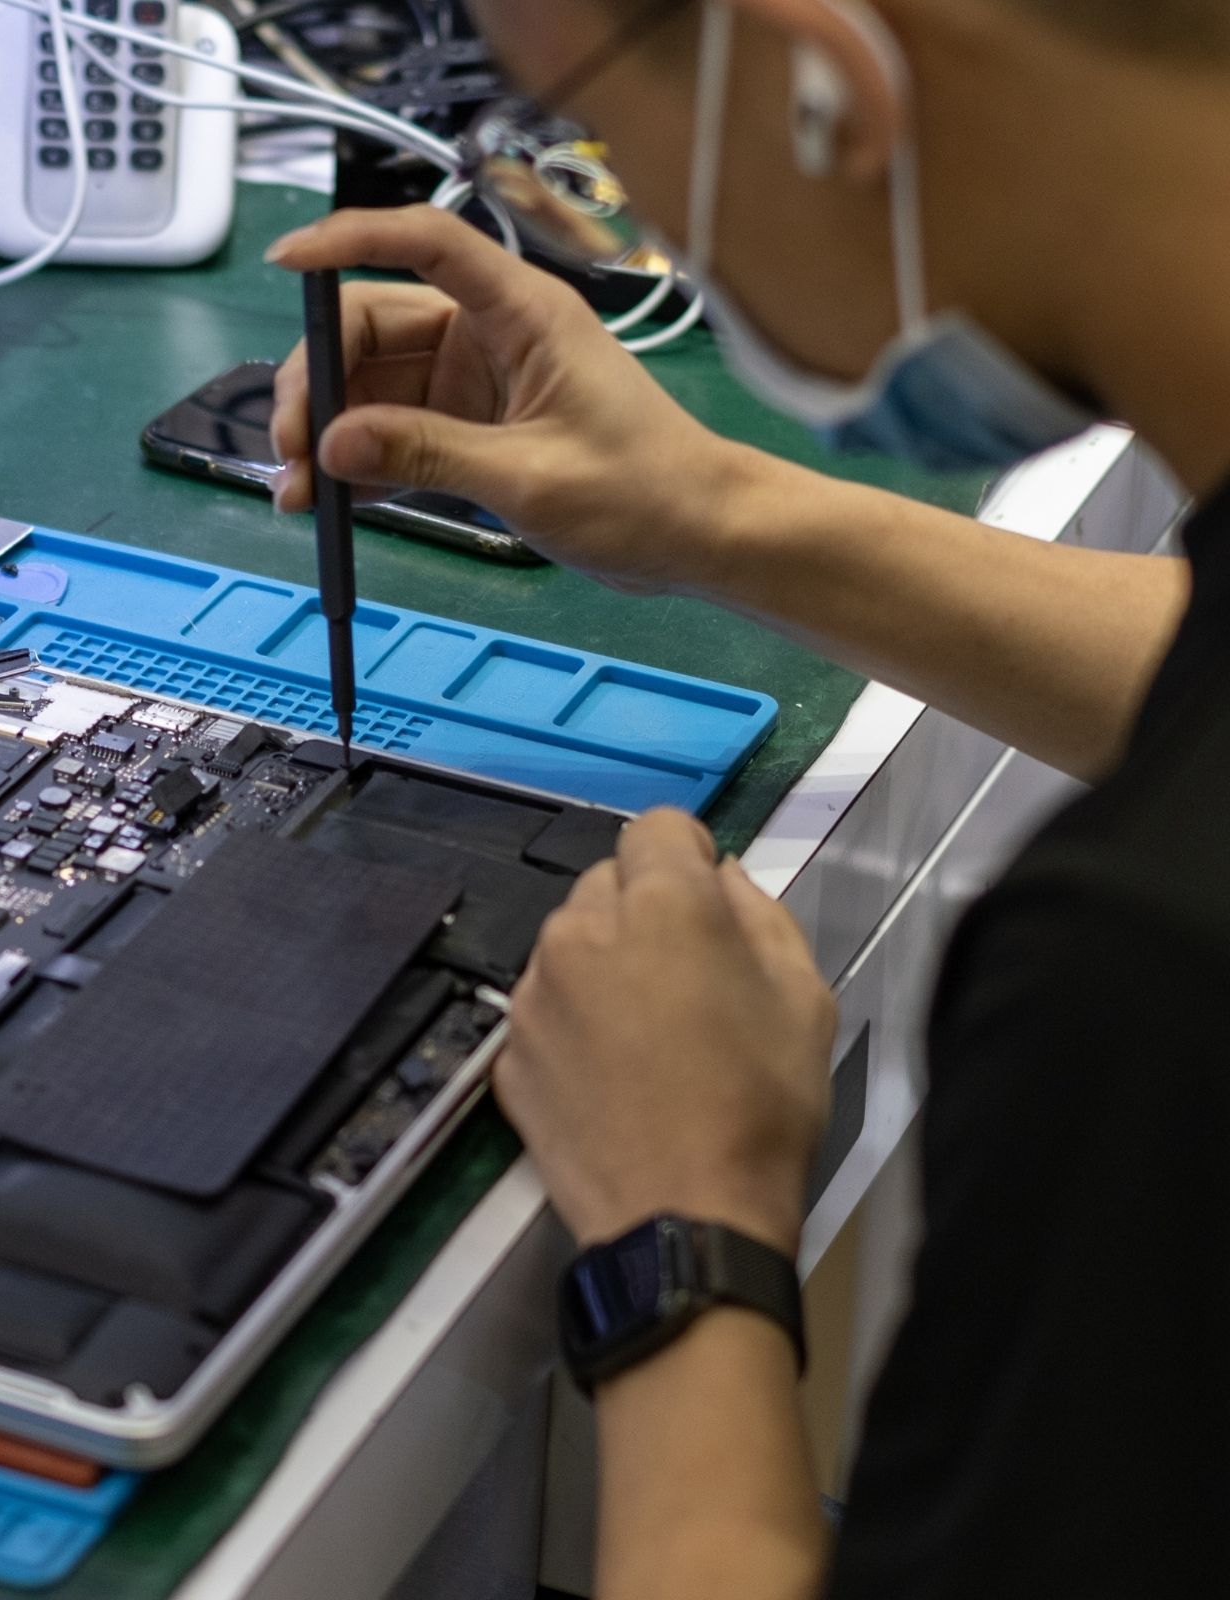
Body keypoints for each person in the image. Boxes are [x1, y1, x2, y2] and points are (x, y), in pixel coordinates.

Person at [265, 0, 1230, 1595]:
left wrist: (684, 1228)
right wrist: (708, 509)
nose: (608, 205)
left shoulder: (1148, 979)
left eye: (570, 138)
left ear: (823, 91)